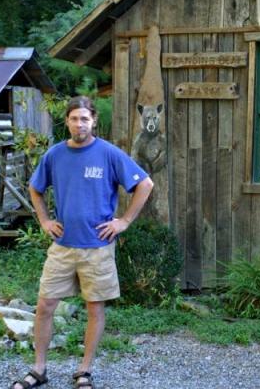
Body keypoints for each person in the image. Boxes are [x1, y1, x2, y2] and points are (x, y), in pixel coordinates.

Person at [11, 96, 154, 389]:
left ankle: (84, 371)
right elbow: (35, 188)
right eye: (74, 118)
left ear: (93, 121)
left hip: (98, 247)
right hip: (63, 246)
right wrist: (45, 221)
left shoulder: (109, 154)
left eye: (85, 119)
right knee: (45, 305)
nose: (80, 124)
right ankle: (39, 369)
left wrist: (123, 221)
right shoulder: (55, 155)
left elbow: (145, 184)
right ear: (67, 121)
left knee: (94, 309)